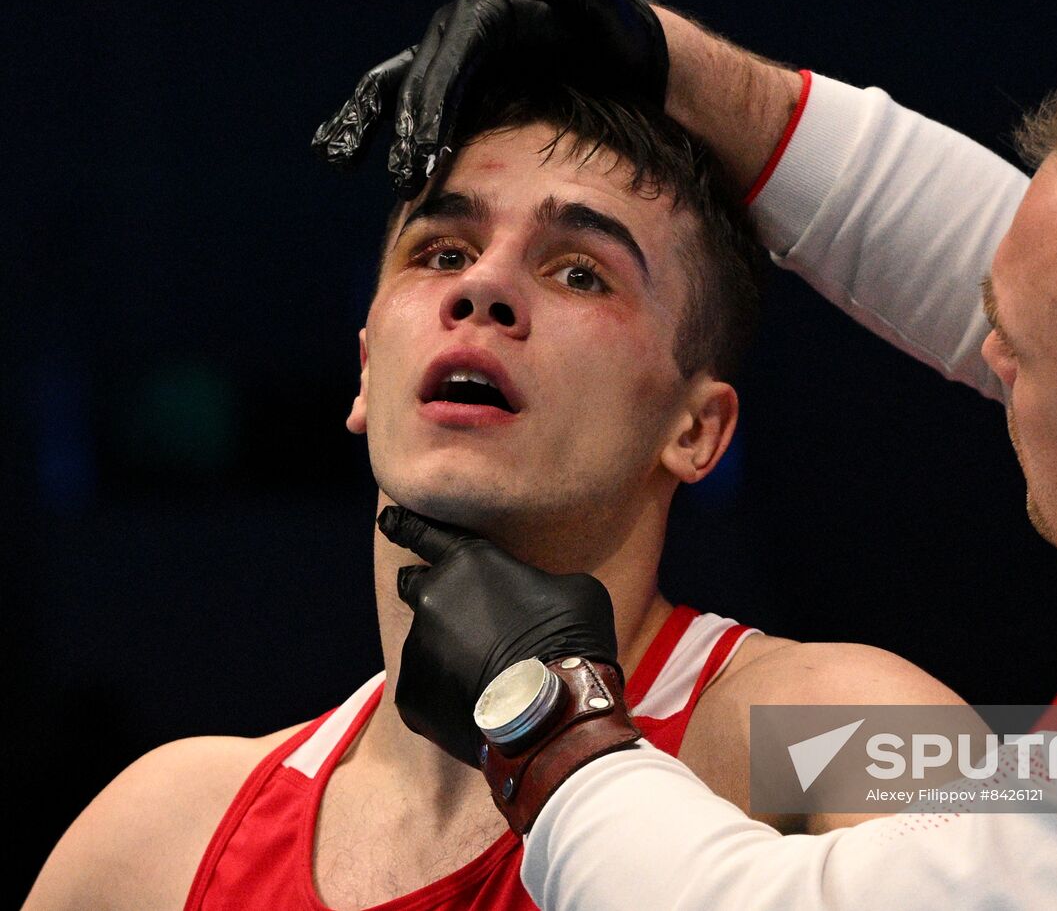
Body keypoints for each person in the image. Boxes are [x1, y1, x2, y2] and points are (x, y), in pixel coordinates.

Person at [352, 0, 1057, 909]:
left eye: (581, 272)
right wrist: (668, 62)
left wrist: (546, 718)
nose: (982, 350)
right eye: (441, 253)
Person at [21, 80, 968, 910]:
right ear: (366, 368)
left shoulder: (835, 727)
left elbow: (1043, 868)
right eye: (441, 252)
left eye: (580, 272)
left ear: (696, 429)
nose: (483, 287)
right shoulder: (163, 838)